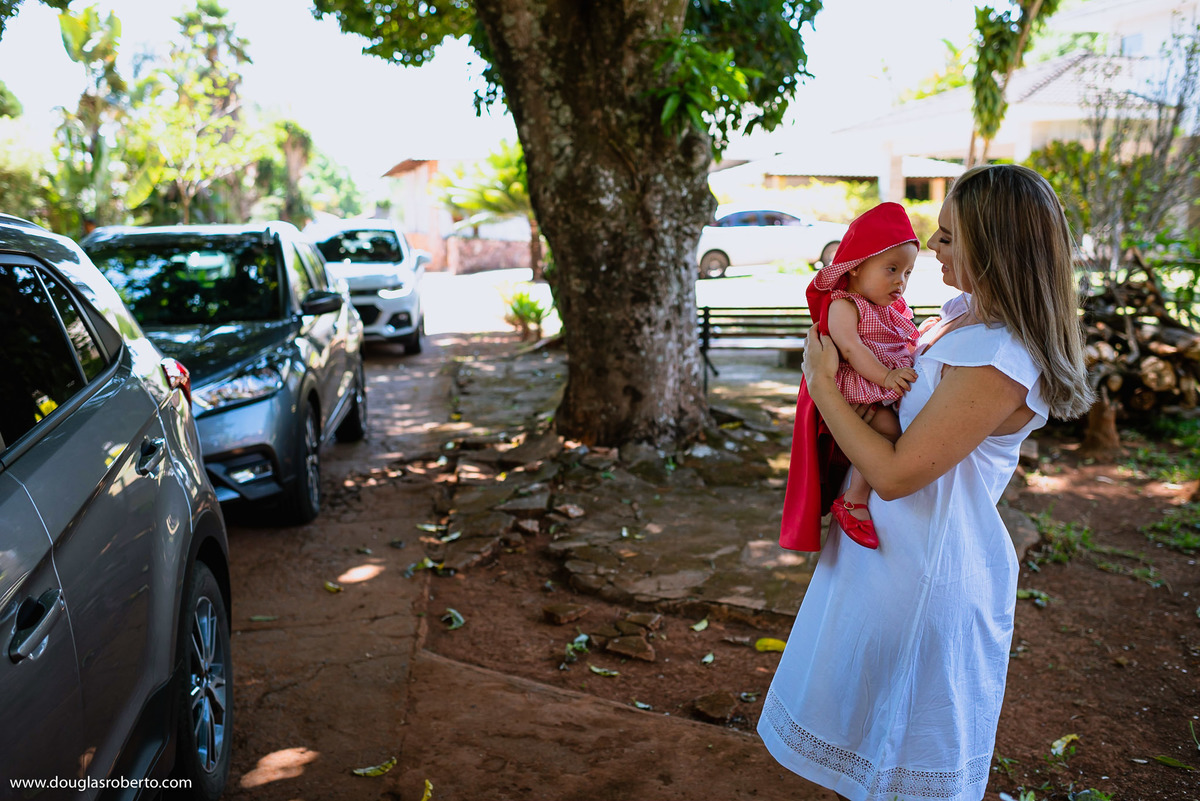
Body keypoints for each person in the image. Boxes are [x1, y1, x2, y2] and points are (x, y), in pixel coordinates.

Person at [757, 164, 1095, 801]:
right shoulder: (960, 319)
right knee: (862, 752)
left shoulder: (997, 357)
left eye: (948, 237)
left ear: (995, 249)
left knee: (896, 759)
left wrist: (822, 385)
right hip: (884, 558)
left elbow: (893, 475)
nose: (932, 249)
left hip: (925, 572)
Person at [789, 202, 922, 550]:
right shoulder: (844, 304)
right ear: (858, 267)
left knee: (894, 436)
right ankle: (853, 500)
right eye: (891, 269)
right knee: (890, 435)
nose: (900, 280)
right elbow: (850, 349)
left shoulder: (888, 309)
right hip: (860, 388)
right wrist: (887, 376)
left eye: (907, 272)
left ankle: (856, 498)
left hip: (878, 386)